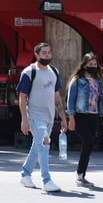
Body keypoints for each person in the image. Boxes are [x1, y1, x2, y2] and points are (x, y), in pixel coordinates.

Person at [16, 42, 67, 192]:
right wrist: (24, 119)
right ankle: (47, 180)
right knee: (45, 143)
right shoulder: (28, 72)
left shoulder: (54, 72)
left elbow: (57, 97)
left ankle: (25, 174)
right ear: (36, 54)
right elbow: (22, 97)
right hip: (35, 115)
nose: (47, 55)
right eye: (44, 53)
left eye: (49, 53)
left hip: (49, 116)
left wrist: (63, 118)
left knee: (37, 147)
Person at [66, 52, 103, 187]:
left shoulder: (97, 81)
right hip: (81, 115)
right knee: (88, 141)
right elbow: (70, 100)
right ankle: (79, 174)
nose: (93, 66)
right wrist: (71, 118)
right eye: (90, 64)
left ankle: (82, 174)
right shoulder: (77, 80)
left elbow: (101, 100)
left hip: (94, 115)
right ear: (84, 65)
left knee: (89, 145)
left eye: (95, 64)